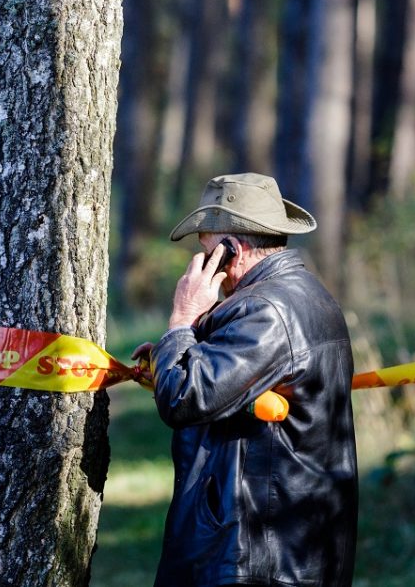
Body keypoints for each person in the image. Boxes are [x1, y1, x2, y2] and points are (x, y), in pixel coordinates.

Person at [132, 173, 358, 587]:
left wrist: (182, 319)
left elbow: (184, 397)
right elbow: (230, 381)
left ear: (230, 251)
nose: (198, 265)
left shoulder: (265, 310)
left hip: (256, 557)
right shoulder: (301, 294)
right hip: (286, 550)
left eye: (205, 251)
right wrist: (180, 346)